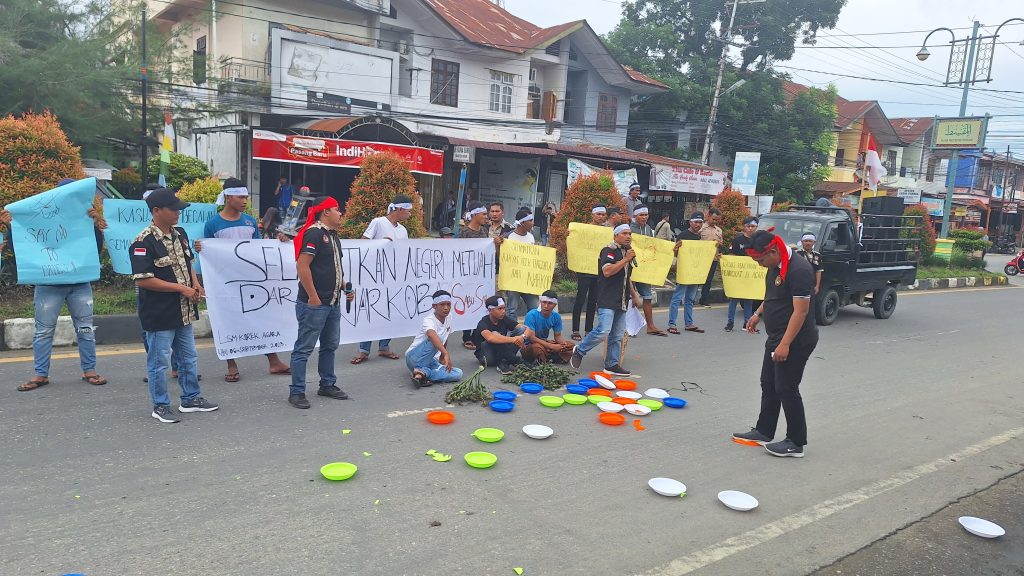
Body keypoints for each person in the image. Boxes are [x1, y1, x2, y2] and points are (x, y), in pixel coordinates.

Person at [8, 181, 110, 392]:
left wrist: (95, 225)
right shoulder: (40, 215)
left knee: (84, 329)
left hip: (78, 283)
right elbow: (23, 246)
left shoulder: (85, 217)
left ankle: (89, 370)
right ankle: (41, 374)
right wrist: (11, 226)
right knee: (44, 331)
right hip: (49, 284)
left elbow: (95, 249)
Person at [131, 188, 219, 423]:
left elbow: (187, 262)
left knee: (188, 358)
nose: (178, 213)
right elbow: (143, 279)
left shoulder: (180, 234)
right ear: (156, 211)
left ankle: (191, 398)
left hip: (184, 310)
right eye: (173, 209)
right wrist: (181, 288)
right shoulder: (143, 241)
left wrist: (196, 283)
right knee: (159, 363)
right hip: (159, 313)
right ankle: (160, 405)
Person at [733, 229, 819, 458]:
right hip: (776, 336)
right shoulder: (773, 265)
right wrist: (758, 314)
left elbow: (801, 312)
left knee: (786, 387)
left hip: (796, 339)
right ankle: (764, 430)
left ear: (772, 251)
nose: (759, 264)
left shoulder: (799, 270)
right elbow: (772, 296)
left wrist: (785, 344)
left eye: (760, 259)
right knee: (768, 383)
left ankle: (795, 442)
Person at [195, 178, 290, 381]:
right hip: (225, 283)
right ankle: (232, 364)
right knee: (228, 321)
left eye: (246, 197)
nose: (245, 201)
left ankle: (274, 361)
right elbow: (211, 255)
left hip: (250, 280)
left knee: (261, 319)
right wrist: (202, 249)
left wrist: (280, 242)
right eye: (241, 197)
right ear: (229, 198)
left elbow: (257, 249)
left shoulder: (249, 221)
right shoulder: (213, 224)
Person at [287, 196, 354, 409]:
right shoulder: (314, 233)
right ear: (325, 212)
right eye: (337, 209)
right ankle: (296, 392)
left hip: (332, 302)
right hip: (315, 304)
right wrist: (313, 296)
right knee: (304, 348)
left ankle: (327, 384)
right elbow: (302, 266)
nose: (340, 213)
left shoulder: (333, 236)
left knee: (329, 346)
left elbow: (332, 268)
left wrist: (344, 287)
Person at [569, 224, 642, 377]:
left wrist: (634, 295)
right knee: (604, 330)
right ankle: (580, 350)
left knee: (617, 335)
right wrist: (625, 259)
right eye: (624, 233)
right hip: (607, 298)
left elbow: (626, 278)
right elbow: (607, 271)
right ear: (616, 236)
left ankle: (612, 364)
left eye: (630, 233)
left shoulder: (626, 253)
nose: (628, 236)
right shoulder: (609, 251)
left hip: (622, 299)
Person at [352, 194, 413, 365]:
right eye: (408, 211)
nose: (410, 214)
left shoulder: (403, 230)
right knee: (371, 311)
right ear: (399, 209)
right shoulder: (378, 222)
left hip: (394, 277)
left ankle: (384, 346)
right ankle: (364, 349)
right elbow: (363, 243)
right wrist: (380, 243)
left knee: (390, 310)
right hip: (375, 276)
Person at [406, 290, 463, 388]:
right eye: (442, 304)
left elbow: (446, 336)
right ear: (434, 306)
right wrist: (445, 353)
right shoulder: (428, 320)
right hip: (414, 358)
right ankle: (421, 371)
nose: (446, 308)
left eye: (448, 304)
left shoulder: (449, 317)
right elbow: (432, 335)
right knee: (437, 337)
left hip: (431, 361)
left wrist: (441, 357)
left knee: (458, 373)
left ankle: (423, 374)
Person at [456, 202, 493, 351]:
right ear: (475, 215)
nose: (486, 217)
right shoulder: (464, 233)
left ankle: (478, 335)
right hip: (467, 276)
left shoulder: (484, 231)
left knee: (479, 305)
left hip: (481, 276)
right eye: (483, 214)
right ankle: (467, 336)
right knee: (468, 304)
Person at [570, 204, 608, 340]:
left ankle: (588, 330)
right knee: (580, 299)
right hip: (584, 270)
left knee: (593, 301)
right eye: (598, 214)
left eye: (603, 214)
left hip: (599, 271)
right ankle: (575, 329)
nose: (601, 217)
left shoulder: (607, 232)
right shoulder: (583, 229)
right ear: (592, 215)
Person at [630, 204, 667, 336]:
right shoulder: (629, 229)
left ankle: (650, 326)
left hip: (644, 269)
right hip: (630, 268)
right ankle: (628, 327)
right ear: (635, 216)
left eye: (646, 215)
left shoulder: (649, 229)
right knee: (629, 298)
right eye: (641, 215)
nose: (644, 217)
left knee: (647, 296)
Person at [667, 212, 706, 334]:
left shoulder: (700, 237)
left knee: (690, 299)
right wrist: (675, 249)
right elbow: (676, 254)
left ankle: (689, 323)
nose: (698, 225)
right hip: (684, 271)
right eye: (696, 222)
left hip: (694, 271)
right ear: (690, 222)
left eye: (700, 222)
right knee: (677, 298)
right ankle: (671, 324)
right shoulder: (683, 235)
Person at [474, 295, 534, 375]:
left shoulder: (504, 318)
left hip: (503, 352)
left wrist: (522, 337)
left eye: (504, 308)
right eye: (500, 309)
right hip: (487, 357)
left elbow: (527, 329)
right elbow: (490, 338)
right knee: (495, 334)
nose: (503, 311)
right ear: (490, 310)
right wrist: (515, 339)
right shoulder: (483, 322)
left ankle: (504, 362)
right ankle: (515, 360)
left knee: (521, 330)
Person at [503, 208, 540, 320]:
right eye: (531, 220)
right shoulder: (509, 237)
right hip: (513, 278)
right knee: (512, 309)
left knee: (534, 307)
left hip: (528, 278)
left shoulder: (531, 237)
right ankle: (513, 333)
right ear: (523, 222)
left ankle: (531, 330)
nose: (533, 223)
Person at [725, 216, 759, 332]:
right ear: (744, 227)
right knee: (733, 300)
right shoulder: (737, 240)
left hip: (751, 276)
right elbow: (731, 255)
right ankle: (730, 323)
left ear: (756, 227)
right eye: (748, 226)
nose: (750, 229)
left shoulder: (758, 241)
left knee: (749, 300)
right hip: (737, 276)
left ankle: (747, 323)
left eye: (753, 226)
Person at [522, 290, 573, 364]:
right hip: (529, 345)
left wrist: (563, 345)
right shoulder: (531, 315)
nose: (546, 306)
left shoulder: (556, 316)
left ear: (555, 305)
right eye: (544, 302)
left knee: (570, 345)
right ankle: (547, 357)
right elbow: (531, 338)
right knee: (537, 348)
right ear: (540, 302)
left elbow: (558, 336)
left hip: (544, 343)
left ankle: (546, 357)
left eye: (550, 303)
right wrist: (551, 346)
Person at [699, 208, 724, 307]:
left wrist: (719, 244)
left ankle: (704, 299)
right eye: (713, 219)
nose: (715, 221)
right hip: (701, 258)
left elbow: (721, 243)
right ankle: (691, 299)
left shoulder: (719, 230)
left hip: (713, 258)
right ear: (708, 216)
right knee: (697, 279)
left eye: (717, 220)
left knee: (708, 280)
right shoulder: (701, 228)